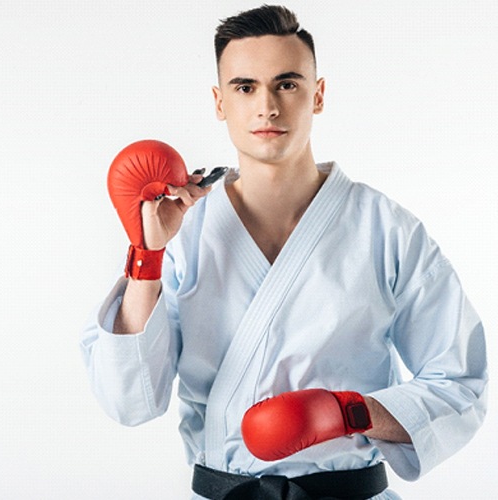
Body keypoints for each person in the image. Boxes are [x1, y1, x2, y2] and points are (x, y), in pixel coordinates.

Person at [81, 5, 488, 499]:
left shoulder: (386, 231)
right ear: (219, 101)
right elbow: (130, 401)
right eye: (245, 87)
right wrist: (148, 255)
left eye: (287, 84)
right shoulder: (184, 233)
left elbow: (460, 385)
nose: (267, 107)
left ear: (317, 95)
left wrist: (347, 412)